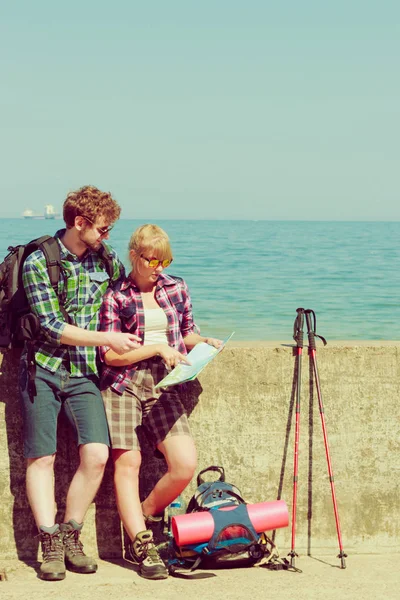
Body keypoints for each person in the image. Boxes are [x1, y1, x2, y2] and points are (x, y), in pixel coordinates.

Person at [19, 185, 141, 581]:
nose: (108, 237)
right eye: (103, 230)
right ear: (79, 223)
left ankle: (71, 533)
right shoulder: (40, 262)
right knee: (43, 458)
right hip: (42, 367)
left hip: (85, 372)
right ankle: (49, 541)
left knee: (97, 455)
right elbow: (52, 326)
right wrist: (108, 339)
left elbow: (128, 299)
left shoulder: (105, 260)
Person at [99, 224, 222, 580]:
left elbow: (185, 332)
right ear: (134, 255)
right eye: (152, 260)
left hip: (166, 383)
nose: (159, 267)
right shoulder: (116, 295)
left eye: (165, 259)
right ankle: (141, 542)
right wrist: (154, 348)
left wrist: (205, 341)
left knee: (183, 463)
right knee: (129, 463)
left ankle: (146, 513)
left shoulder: (176, 286)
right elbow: (109, 354)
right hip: (123, 383)